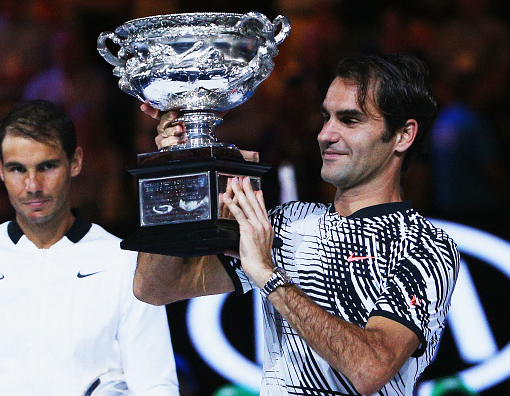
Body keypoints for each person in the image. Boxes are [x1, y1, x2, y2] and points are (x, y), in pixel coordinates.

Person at [134, 53, 459, 395]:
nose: (325, 135)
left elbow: (370, 369)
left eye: (349, 120)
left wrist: (269, 277)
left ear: (403, 135)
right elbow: (155, 288)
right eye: (326, 117)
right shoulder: (286, 223)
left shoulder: (426, 245)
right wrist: (172, 169)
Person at [0, 100, 179, 395]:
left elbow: (155, 385)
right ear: (0, 170)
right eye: (18, 169)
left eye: (47, 166)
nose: (33, 185)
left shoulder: (125, 261)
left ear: (76, 162)